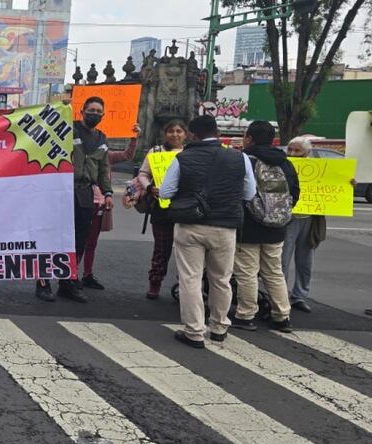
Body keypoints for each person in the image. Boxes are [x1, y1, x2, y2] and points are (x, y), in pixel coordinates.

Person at [160, 115, 257, 349]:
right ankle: (219, 326)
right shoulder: (239, 157)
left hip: (190, 225)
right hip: (225, 227)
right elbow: (249, 194)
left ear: (192, 134)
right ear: (217, 131)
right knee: (221, 279)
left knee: (190, 278)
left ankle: (194, 330)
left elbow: (165, 192)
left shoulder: (183, 158)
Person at [231, 121, 300, 333]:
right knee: (274, 272)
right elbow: (294, 192)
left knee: (247, 272)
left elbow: (237, 192)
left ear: (249, 138)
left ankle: (245, 314)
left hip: (248, 227)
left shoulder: (245, 160)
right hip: (277, 227)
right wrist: (278, 214)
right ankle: (282, 316)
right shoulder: (285, 162)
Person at [45, 96, 112, 303]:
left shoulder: (102, 139)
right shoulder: (67, 128)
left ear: (103, 115)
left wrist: (108, 192)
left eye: (98, 111)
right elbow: (47, 128)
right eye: (90, 110)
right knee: (53, 238)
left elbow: (103, 169)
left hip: (85, 193)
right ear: (81, 111)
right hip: (62, 189)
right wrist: (61, 106)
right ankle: (43, 282)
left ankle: (68, 282)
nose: (94, 114)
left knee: (78, 241)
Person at [77, 124, 139, 291]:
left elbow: (127, 155)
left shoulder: (107, 155)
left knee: (91, 242)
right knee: (79, 241)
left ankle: (87, 274)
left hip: (100, 202)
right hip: (81, 200)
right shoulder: (77, 153)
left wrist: (133, 138)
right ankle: (72, 275)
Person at [136, 119, 188, 299]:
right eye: (171, 131)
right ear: (165, 134)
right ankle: (155, 282)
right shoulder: (156, 151)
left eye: (179, 131)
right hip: (161, 207)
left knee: (188, 251)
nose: (175, 134)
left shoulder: (190, 153)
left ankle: (185, 285)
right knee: (161, 248)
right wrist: (149, 187)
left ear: (185, 134)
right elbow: (143, 174)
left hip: (184, 208)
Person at [281, 138, 325, 314]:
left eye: (297, 151)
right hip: (288, 218)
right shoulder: (284, 166)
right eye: (290, 150)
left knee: (305, 260)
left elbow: (338, 185)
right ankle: (280, 296)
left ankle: (299, 296)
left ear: (307, 153)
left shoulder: (320, 169)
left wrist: (348, 184)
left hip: (309, 218)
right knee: (282, 260)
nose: (292, 154)